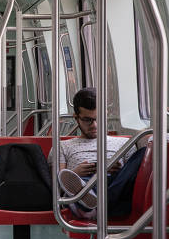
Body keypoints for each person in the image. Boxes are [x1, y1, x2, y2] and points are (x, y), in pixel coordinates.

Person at [49, 87, 147, 219]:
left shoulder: (124, 144)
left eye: (99, 118)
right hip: (83, 184)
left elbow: (132, 180)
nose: (94, 125)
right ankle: (89, 197)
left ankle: (93, 204)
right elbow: (56, 187)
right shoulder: (62, 146)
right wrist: (76, 173)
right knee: (79, 185)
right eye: (87, 120)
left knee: (144, 152)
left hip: (114, 185)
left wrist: (118, 171)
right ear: (76, 118)